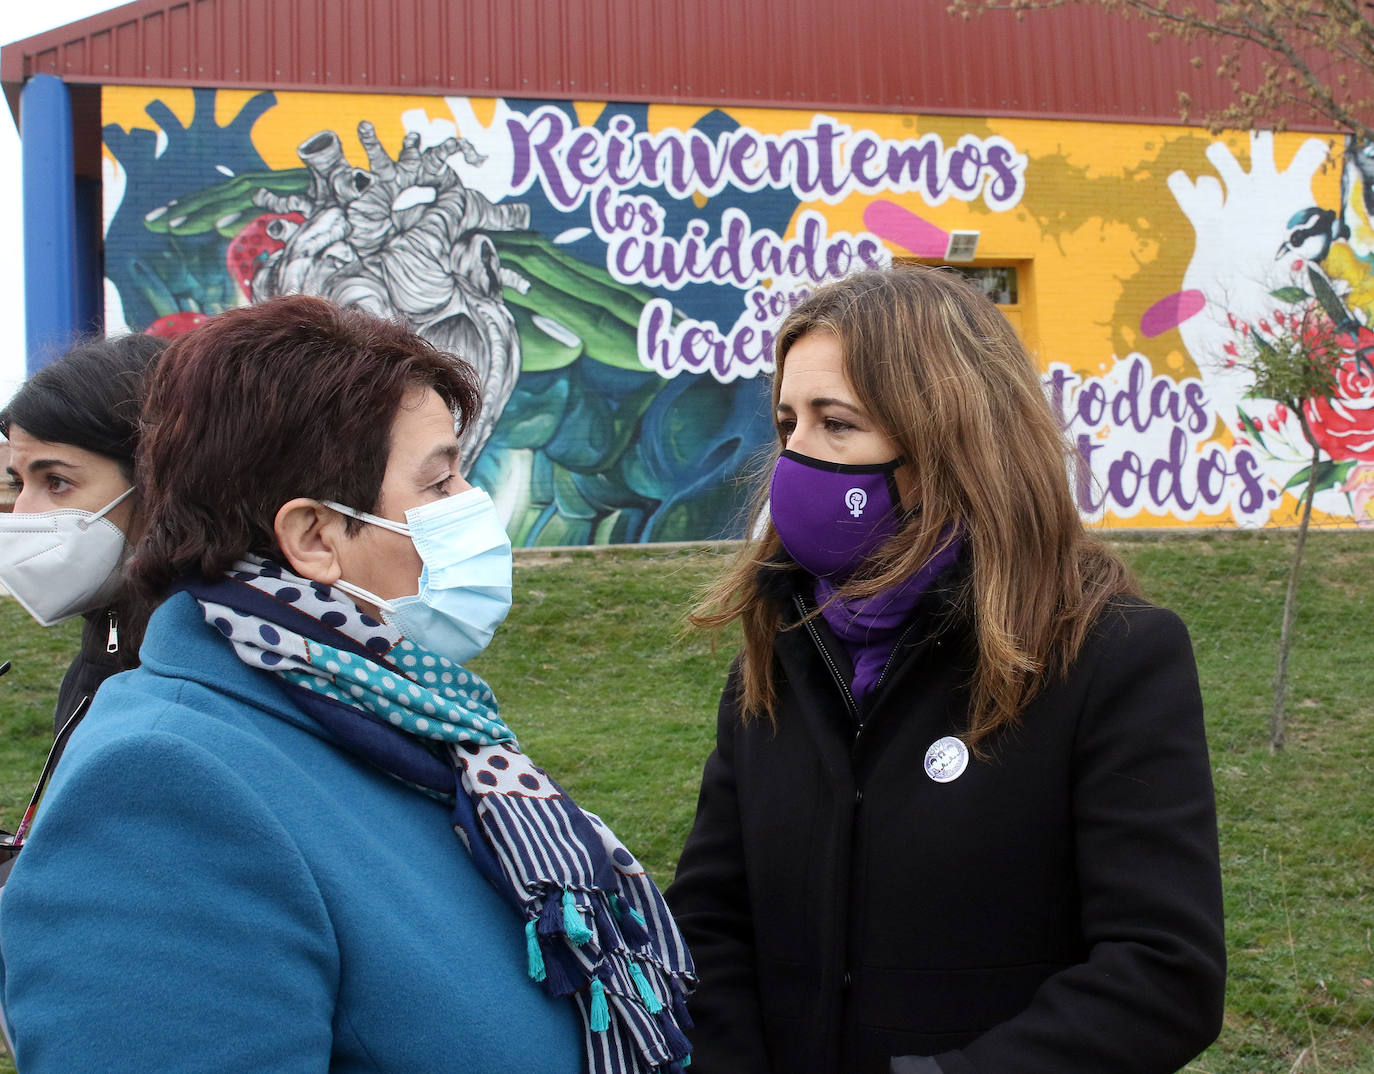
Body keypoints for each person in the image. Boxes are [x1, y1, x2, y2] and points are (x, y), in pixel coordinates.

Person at [0, 295, 694, 1074]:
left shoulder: (400, 719)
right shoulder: (160, 792)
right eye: (438, 484)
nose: (472, 508)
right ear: (314, 538)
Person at [666, 266, 1226, 1074]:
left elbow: (1163, 974)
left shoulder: (1109, 657)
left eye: (837, 424)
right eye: (788, 421)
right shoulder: (783, 645)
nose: (794, 456)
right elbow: (710, 920)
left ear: (949, 440)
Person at [0, 334, 166, 737]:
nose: (21, 513)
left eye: (56, 481)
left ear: (157, 482)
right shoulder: (108, 630)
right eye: (18, 484)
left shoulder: (209, 676)